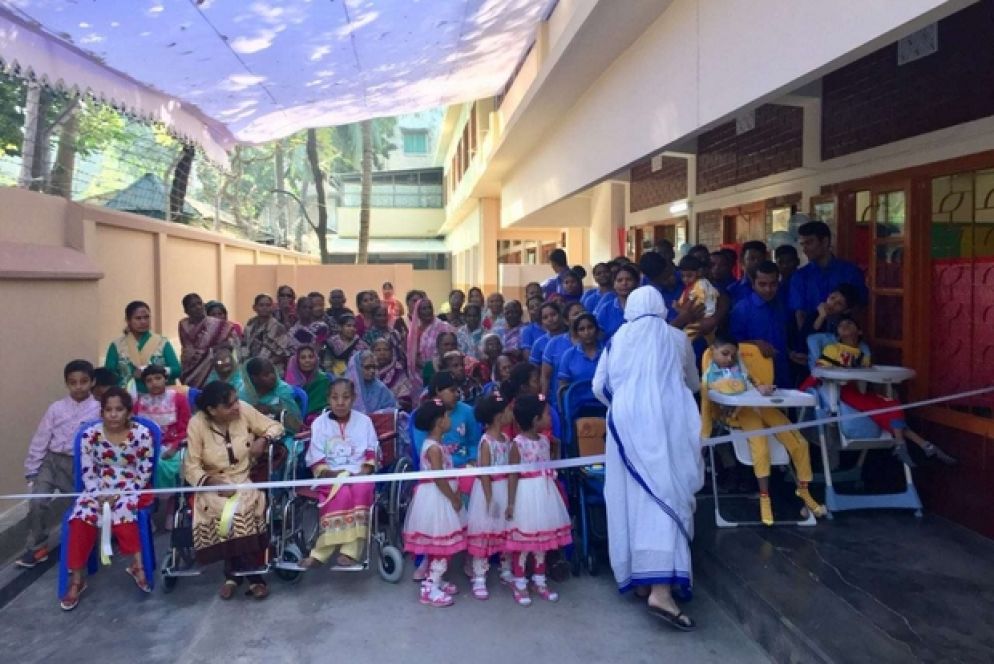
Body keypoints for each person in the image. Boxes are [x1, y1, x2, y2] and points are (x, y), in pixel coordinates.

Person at [592, 286, 703, 631]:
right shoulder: (676, 339)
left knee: (633, 500)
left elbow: (600, 387)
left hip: (626, 427)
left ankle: (643, 580)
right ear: (660, 308)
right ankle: (661, 590)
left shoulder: (618, 339)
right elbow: (694, 385)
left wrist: (629, 402)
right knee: (666, 496)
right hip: (671, 426)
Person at [701, 339, 826, 525]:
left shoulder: (741, 369)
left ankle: (804, 490)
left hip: (759, 405)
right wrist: (705, 435)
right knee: (761, 447)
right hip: (739, 412)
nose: (729, 359)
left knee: (798, 442)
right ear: (713, 351)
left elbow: (753, 383)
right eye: (724, 354)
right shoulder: (709, 378)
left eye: (733, 355)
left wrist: (763, 388)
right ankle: (764, 496)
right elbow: (709, 404)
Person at [805, 317, 956, 466]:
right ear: (837, 334)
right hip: (840, 393)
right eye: (841, 325)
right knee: (892, 407)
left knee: (893, 403)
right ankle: (920, 445)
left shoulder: (863, 356)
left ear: (859, 331)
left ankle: (916, 445)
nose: (844, 326)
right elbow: (820, 370)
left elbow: (867, 376)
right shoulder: (832, 349)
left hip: (857, 391)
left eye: (849, 323)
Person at [184, 381, 283, 600]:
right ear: (212, 410)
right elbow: (191, 466)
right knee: (219, 510)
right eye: (229, 405)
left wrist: (263, 439)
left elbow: (276, 426)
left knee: (241, 509)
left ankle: (235, 576)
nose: (236, 407)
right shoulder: (197, 424)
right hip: (212, 482)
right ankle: (249, 578)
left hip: (241, 478)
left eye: (236, 401)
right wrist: (213, 482)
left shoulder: (244, 410)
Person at [59, 387, 156, 610]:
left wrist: (120, 493)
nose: (113, 414)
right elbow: (87, 472)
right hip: (98, 487)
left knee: (124, 511)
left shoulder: (141, 434)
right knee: (81, 515)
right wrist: (99, 494)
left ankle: (137, 565)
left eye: (119, 409)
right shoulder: (90, 435)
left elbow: (144, 471)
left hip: (131, 486)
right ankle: (77, 578)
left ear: (129, 412)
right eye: (108, 410)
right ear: (101, 413)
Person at [18, 360, 101, 570]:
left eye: (83, 381)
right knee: (37, 502)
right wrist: (32, 470)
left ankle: (86, 544)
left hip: (78, 464)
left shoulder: (98, 409)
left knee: (80, 507)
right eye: (73, 382)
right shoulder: (56, 408)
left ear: (92, 382)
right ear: (67, 384)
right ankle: (37, 547)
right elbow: (41, 437)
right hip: (51, 461)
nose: (78, 386)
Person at [301, 378, 379, 569]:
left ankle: (350, 552)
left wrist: (363, 472)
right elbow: (316, 458)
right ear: (328, 399)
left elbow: (371, 452)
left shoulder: (365, 421)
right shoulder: (319, 423)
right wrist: (334, 474)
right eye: (335, 398)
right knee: (342, 492)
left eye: (345, 397)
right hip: (329, 475)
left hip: (359, 473)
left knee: (361, 489)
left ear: (353, 398)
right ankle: (320, 553)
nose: (340, 402)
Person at [505, 394, 572, 606]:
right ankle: (519, 582)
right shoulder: (517, 444)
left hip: (544, 496)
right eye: (546, 414)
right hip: (526, 497)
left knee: (542, 542)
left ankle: (539, 580)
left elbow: (550, 466)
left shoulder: (545, 441)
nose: (550, 418)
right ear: (535, 420)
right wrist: (511, 503)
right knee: (524, 543)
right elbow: (513, 475)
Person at [403, 399, 467, 607]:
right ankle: (430, 587)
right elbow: (439, 478)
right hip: (438, 499)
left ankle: (437, 579)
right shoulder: (434, 449)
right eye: (447, 416)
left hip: (441, 497)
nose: (449, 420)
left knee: (439, 545)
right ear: (439, 422)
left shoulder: (437, 445)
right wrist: (454, 498)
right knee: (441, 545)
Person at [465, 394, 514, 600]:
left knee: (505, 530)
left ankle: (506, 570)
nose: (511, 414)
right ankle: (479, 576)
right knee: (485, 532)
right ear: (498, 416)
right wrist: (489, 499)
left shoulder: (507, 440)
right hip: (489, 490)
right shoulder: (486, 442)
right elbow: (484, 472)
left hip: (504, 488)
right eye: (507, 411)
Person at [788, 220, 868, 333]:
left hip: (844, 338)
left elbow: (859, 309)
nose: (805, 249)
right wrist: (805, 343)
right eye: (803, 244)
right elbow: (800, 314)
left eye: (809, 242)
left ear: (825, 242)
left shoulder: (850, 271)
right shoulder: (800, 276)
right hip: (812, 339)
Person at [730, 261, 794, 388]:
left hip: (782, 373)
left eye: (773, 284)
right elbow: (731, 343)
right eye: (762, 284)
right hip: (753, 374)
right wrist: (755, 344)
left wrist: (792, 352)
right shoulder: (742, 309)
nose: (768, 289)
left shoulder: (783, 305)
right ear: (753, 284)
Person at [104, 300, 181, 394]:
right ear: (128, 320)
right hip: (128, 398)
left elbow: (177, 370)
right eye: (138, 318)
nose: (143, 321)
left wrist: (156, 372)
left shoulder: (161, 342)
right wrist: (131, 376)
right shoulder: (117, 345)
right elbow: (108, 375)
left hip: (161, 398)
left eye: (146, 317)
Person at [134, 365, 191, 489]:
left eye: (158, 378)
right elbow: (135, 431)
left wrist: (174, 448)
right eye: (149, 380)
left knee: (162, 464)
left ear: (165, 379)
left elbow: (186, 430)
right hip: (147, 448)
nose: (154, 383)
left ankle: (167, 499)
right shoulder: (140, 403)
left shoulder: (178, 399)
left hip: (176, 447)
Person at [239, 357, 303, 445]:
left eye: (272, 372)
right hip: (252, 436)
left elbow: (296, 423)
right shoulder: (244, 395)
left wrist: (271, 409)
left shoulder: (282, 390)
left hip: (284, 435)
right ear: (254, 378)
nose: (272, 376)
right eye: (266, 375)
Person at [179, 293, 236, 388]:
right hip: (190, 370)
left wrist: (214, 350)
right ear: (186, 311)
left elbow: (232, 343)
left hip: (214, 369)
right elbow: (187, 348)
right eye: (193, 306)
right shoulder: (184, 325)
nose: (198, 307)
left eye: (199, 303)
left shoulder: (219, 325)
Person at [407, 298, 454, 391]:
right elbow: (412, 354)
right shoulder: (414, 331)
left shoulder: (443, 326)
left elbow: (452, 347)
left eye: (429, 307)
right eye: (424, 309)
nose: (428, 311)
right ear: (418, 312)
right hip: (418, 374)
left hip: (440, 369)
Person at [557, 314, 604, 404]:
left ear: (597, 329)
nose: (587, 332)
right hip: (579, 408)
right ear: (576, 333)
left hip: (606, 405)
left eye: (590, 327)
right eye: (581, 329)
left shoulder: (607, 351)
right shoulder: (569, 355)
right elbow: (563, 387)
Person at [241, 294, 292, 375]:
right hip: (251, 369)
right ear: (254, 307)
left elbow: (283, 353)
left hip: (272, 370)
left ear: (272, 307)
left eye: (268, 305)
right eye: (261, 305)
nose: (265, 308)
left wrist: (263, 365)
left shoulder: (278, 328)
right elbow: (244, 345)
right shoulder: (250, 324)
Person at [285, 344, 331, 425]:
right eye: (303, 358)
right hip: (293, 423)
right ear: (297, 361)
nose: (307, 360)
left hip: (319, 422)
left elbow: (325, 405)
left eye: (311, 357)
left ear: (315, 359)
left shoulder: (323, 380)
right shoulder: (291, 381)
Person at [595, 263, 640, 340]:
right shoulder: (606, 309)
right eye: (619, 280)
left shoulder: (643, 307)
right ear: (614, 284)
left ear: (637, 283)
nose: (624, 283)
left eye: (628, 279)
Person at [347, 350, 399, 414]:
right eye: (367, 367)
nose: (372, 371)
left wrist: (378, 413)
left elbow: (393, 408)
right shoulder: (346, 388)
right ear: (357, 367)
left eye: (374, 367)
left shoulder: (380, 388)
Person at [372, 338, 415, 412]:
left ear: (391, 353)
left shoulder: (398, 372)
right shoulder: (367, 372)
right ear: (372, 353)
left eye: (386, 350)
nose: (382, 353)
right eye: (378, 350)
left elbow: (405, 398)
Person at [529, 302, 568, 369]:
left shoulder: (572, 337)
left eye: (553, 315)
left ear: (560, 315)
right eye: (545, 317)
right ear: (541, 322)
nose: (550, 319)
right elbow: (534, 371)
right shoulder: (538, 344)